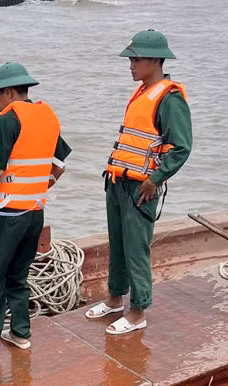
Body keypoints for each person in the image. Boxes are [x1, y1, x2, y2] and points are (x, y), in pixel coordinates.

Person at [85, 30, 192, 334]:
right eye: (130, 58)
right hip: (119, 182)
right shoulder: (142, 91)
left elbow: (181, 147)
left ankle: (137, 311)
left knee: (136, 249)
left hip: (140, 188)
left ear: (156, 60)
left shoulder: (169, 98)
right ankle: (115, 299)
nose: (131, 64)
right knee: (117, 246)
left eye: (137, 59)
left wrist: (155, 179)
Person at [0, 62, 72, 356]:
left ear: (9, 92)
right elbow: (60, 164)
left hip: (7, 215)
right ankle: (20, 333)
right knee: (19, 276)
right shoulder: (47, 116)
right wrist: (38, 186)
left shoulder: (7, 120)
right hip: (35, 212)